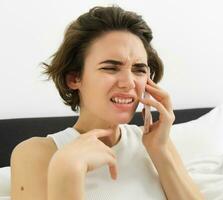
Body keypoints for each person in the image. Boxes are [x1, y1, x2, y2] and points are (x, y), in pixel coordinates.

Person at [10, 5, 204, 200]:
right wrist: (68, 169)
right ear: (74, 78)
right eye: (111, 68)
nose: (128, 83)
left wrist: (160, 150)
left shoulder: (156, 143)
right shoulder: (36, 154)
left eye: (139, 70)